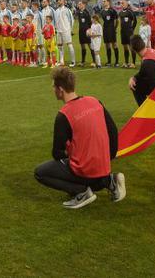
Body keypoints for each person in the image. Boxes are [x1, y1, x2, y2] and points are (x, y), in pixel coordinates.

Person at [34, 66, 125, 209]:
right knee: (86, 168)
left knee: (40, 173)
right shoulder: (95, 101)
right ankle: (109, 180)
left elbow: (57, 153)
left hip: (85, 169)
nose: (53, 90)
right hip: (103, 165)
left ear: (60, 89)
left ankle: (81, 192)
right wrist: (109, 157)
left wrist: (71, 154)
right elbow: (112, 131)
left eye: (54, 87)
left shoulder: (64, 115)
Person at [54, 0, 76, 67]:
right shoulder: (56, 11)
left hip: (66, 30)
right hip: (59, 30)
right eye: (58, 0)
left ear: (64, 2)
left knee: (69, 44)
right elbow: (55, 21)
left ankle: (73, 61)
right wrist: (56, 29)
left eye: (60, 0)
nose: (58, 1)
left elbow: (71, 20)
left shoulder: (67, 10)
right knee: (60, 46)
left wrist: (70, 29)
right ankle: (61, 61)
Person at [118, 0, 137, 68]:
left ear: (127, 4)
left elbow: (135, 21)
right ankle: (126, 62)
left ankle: (133, 63)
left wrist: (132, 29)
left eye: (123, 3)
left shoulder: (130, 12)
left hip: (129, 32)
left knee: (131, 47)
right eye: (121, 3)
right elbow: (121, 21)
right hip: (123, 32)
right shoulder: (120, 13)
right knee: (125, 47)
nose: (121, 4)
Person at [100, 0, 119, 66]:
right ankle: (109, 62)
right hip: (105, 30)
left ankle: (116, 62)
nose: (103, 2)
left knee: (114, 44)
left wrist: (114, 28)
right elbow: (103, 21)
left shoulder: (112, 10)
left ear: (108, 2)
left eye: (104, 1)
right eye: (103, 1)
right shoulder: (102, 11)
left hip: (112, 30)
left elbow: (117, 20)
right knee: (107, 45)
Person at [74, 0, 93, 67]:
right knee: (82, 45)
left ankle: (94, 61)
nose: (79, 5)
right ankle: (83, 61)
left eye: (80, 4)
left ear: (84, 5)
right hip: (81, 31)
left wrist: (89, 29)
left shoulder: (87, 12)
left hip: (87, 31)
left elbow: (90, 22)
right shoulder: (79, 12)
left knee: (90, 45)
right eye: (78, 4)